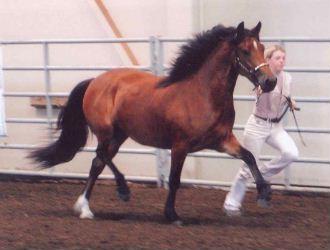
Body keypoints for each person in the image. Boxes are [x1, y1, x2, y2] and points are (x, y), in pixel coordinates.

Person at [223, 45, 299, 216]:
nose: (282, 61)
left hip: (276, 127)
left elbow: (284, 94)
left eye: (283, 58)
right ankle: (231, 204)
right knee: (246, 168)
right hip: (257, 126)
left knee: (291, 153)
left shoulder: (287, 78)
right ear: (268, 60)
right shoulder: (262, 78)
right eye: (278, 58)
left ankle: (261, 175)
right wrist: (260, 90)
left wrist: (290, 101)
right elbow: (260, 91)